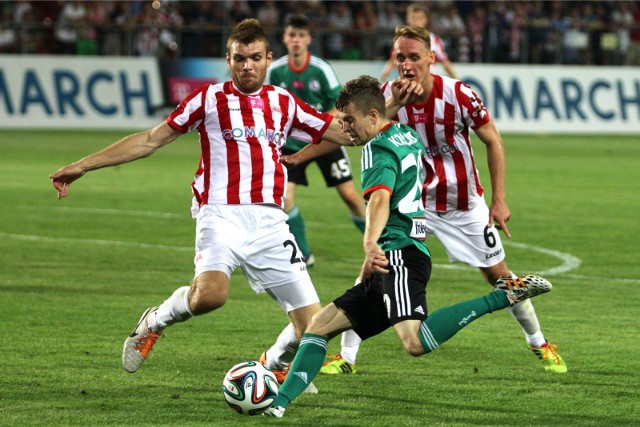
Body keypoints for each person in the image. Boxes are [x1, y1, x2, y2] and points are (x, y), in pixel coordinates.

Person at [49, 19, 351, 379]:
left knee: (312, 328)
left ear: (269, 58)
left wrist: (389, 109)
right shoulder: (209, 99)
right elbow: (150, 139)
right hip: (220, 214)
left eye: (255, 58)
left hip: (270, 222)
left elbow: (343, 131)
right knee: (210, 296)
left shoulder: (283, 102)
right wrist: (83, 166)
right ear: (228, 59)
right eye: (239, 58)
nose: (247, 66)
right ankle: (154, 321)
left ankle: (271, 364)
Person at [263, 75, 553, 418]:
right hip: (397, 255)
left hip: (398, 255)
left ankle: (501, 296)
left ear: (373, 116)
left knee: (414, 342)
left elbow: (381, 197)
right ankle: (279, 405)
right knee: (317, 328)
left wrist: (370, 241)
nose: (346, 130)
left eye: (350, 121)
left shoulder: (377, 148)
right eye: (342, 123)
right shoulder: (407, 135)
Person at [290, 25, 567, 375]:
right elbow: (348, 130)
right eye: (400, 57)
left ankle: (539, 342)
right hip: (416, 204)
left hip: (463, 205)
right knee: (373, 267)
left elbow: (493, 140)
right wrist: (301, 156)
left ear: (431, 59)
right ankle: (347, 357)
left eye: (414, 57)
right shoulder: (386, 99)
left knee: (500, 276)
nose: (406, 64)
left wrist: (499, 199)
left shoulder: (459, 95)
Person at [267, 14, 366, 267]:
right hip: (290, 146)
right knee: (285, 198)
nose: (296, 40)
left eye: (301, 36)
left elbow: (341, 105)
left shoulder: (320, 69)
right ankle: (304, 254)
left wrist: (313, 123)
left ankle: (382, 243)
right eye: (292, 35)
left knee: (350, 196)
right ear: (285, 38)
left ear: (308, 39)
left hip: (324, 142)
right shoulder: (276, 70)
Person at [380, 4, 458, 81]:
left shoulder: (434, 40)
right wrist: (383, 78)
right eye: (413, 17)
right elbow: (392, 60)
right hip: (407, 83)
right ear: (408, 19)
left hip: (427, 85)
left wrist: (457, 80)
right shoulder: (400, 40)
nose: (416, 21)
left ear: (425, 20)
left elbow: (445, 62)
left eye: (419, 18)